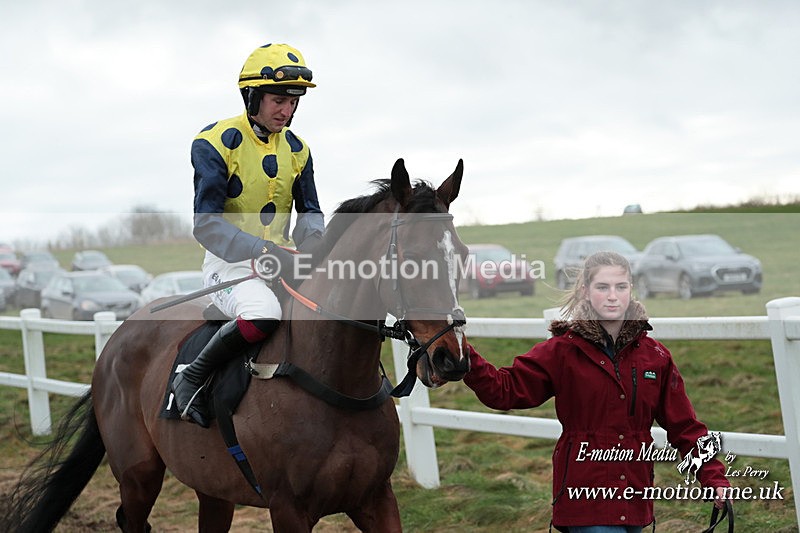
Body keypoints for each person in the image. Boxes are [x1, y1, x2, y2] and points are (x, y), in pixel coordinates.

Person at [463, 251, 730, 532]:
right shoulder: (562, 352)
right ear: (586, 292)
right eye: (602, 287)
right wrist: (463, 356)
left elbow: (685, 427)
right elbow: (504, 390)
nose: (612, 296)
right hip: (584, 501)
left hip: (635, 498)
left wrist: (714, 478)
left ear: (631, 290)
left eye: (621, 287)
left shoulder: (656, 356)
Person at [171, 42, 325, 428]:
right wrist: (263, 250)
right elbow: (206, 224)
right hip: (230, 266)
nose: (286, 111)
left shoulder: (300, 149)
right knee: (265, 312)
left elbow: (310, 214)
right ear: (252, 96)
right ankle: (190, 377)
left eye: (293, 102)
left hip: (283, 260)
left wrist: (316, 248)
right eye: (278, 100)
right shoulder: (214, 142)